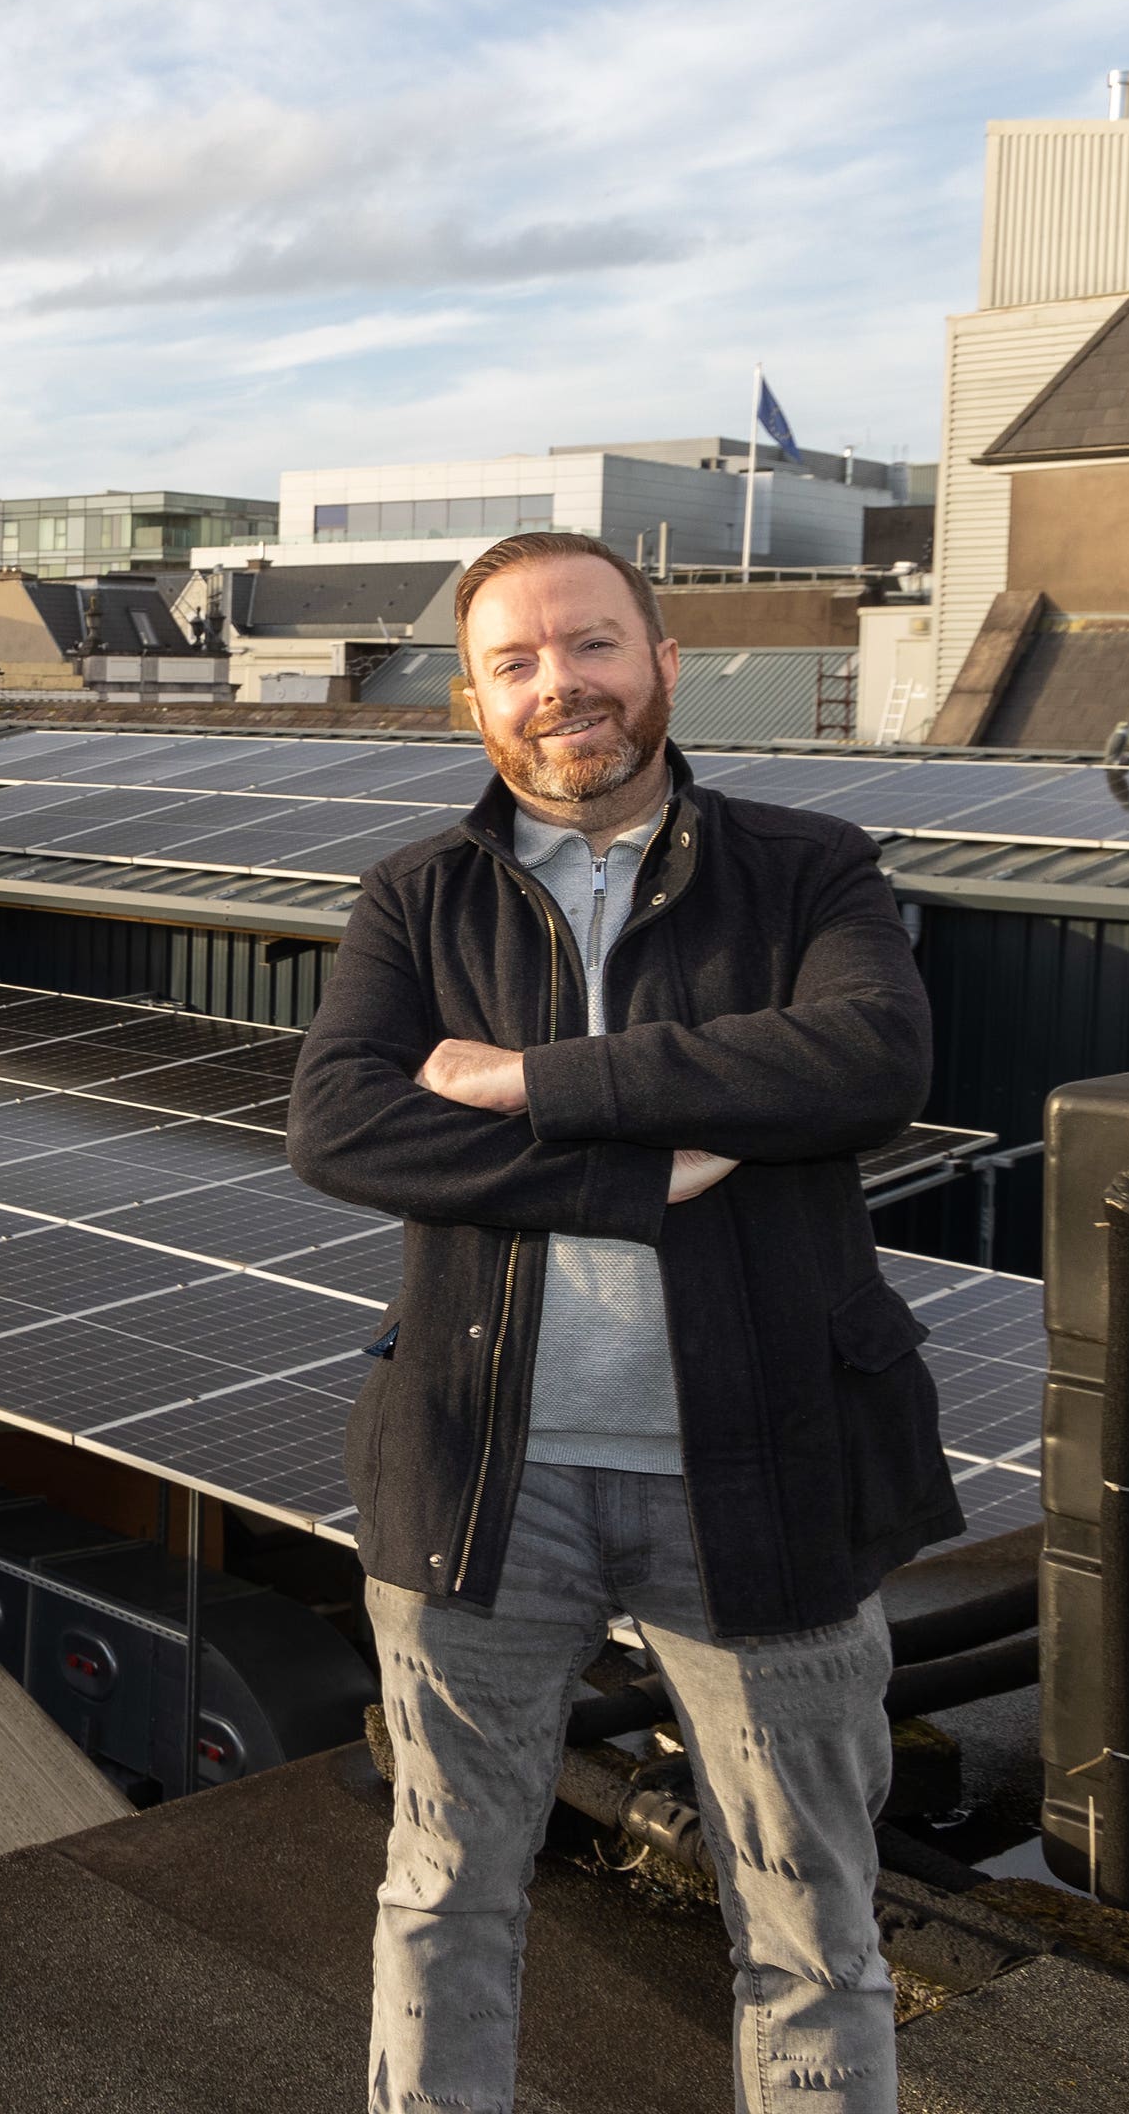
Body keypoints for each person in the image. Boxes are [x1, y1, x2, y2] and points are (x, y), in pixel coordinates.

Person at [284, 531, 949, 2113]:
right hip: (480, 1489)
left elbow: (868, 1061)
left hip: (767, 1476)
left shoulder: (806, 870)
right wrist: (652, 1173)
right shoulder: (417, 897)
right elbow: (344, 1129)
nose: (557, 685)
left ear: (661, 664)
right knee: (446, 1900)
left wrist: (529, 1082)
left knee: (811, 1928)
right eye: (515, 662)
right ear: (472, 702)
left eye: (589, 646)